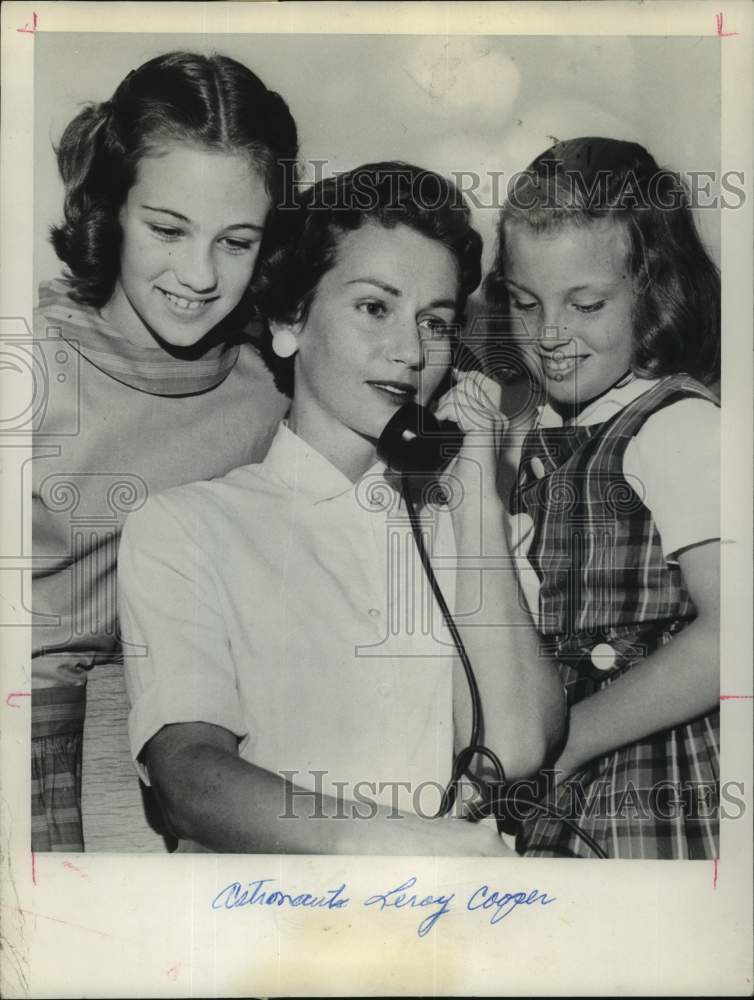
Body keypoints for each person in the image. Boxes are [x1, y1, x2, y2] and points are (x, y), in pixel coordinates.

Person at [118, 163, 566, 855]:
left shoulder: (471, 528)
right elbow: (190, 782)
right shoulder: (186, 528)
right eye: (374, 308)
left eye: (435, 322)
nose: (412, 351)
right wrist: (405, 843)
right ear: (290, 322)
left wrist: (478, 491)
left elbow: (517, 746)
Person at [32, 50, 299, 852]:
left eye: (235, 241)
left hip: (163, 757)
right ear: (111, 210)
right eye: (167, 229)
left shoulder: (269, 394)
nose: (197, 274)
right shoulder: (31, 362)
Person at [484, 136, 721, 858]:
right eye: (526, 303)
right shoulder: (535, 432)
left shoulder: (678, 426)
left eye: (585, 304)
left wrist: (569, 743)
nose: (550, 334)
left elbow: (735, 638)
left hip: (654, 776)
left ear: (655, 292)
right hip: (556, 778)